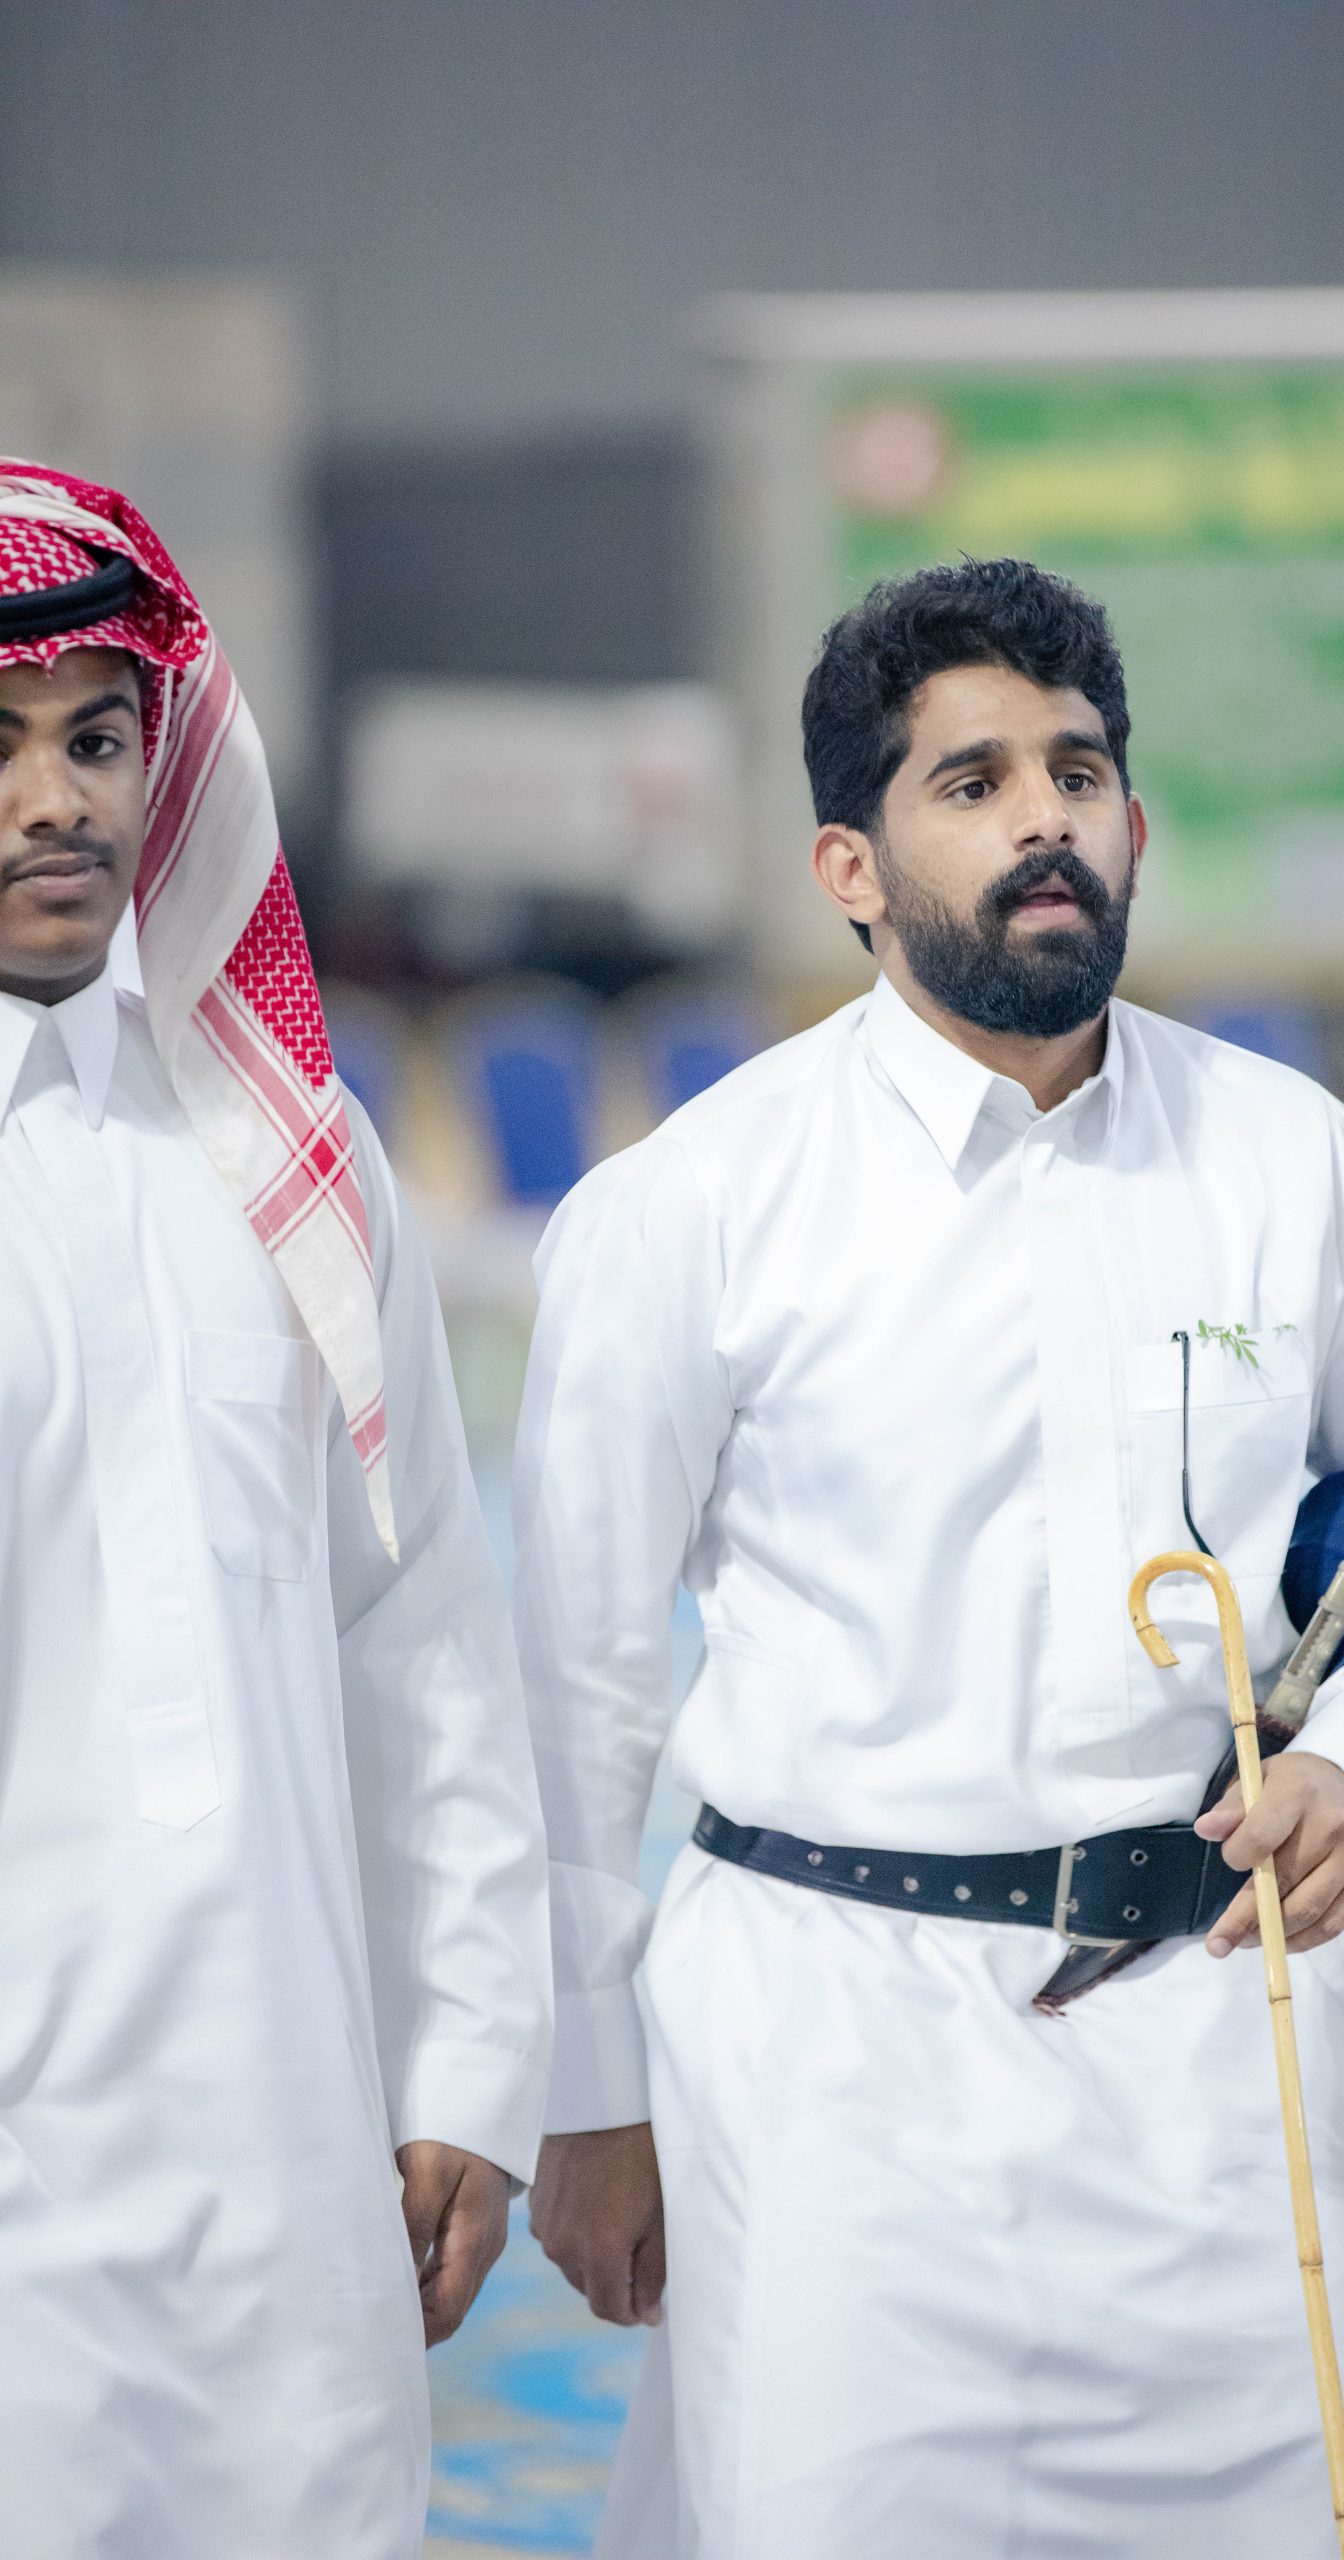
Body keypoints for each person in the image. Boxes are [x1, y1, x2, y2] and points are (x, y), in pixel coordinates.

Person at [516, 558, 1344, 2560]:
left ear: (1134, 823)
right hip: (831, 2084)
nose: (1042, 819)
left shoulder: (1298, 1165)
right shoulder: (693, 1208)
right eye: (971, 782)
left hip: (1237, 2068)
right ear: (848, 863)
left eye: (1076, 772)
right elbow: (569, 1692)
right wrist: (579, 2084)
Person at [0, 462, 552, 2560]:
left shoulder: (291, 1146)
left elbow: (420, 1629)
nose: (54, 802)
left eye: (96, 738)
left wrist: (466, 2065)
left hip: (295, 2171)